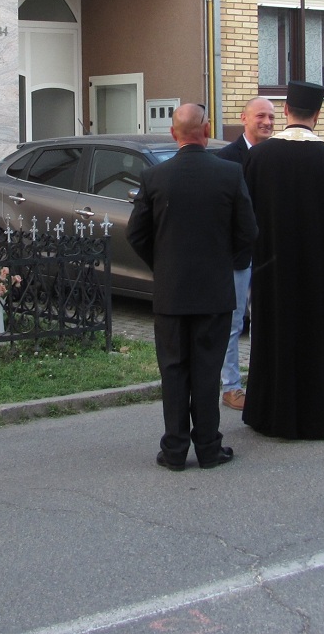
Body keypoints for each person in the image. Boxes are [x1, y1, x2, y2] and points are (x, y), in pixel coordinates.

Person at [128, 103, 257, 470]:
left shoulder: (155, 177)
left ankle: (173, 451)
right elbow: (249, 231)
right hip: (214, 292)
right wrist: (221, 261)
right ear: (207, 129)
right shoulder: (230, 174)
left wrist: (164, 265)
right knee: (207, 370)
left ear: (173, 134)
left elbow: (136, 234)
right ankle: (209, 448)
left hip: (171, 292)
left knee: (173, 371)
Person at [241, 80, 324, 441]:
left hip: (270, 269)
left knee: (272, 339)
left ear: (286, 112)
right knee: (314, 343)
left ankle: (268, 415)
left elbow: (246, 219)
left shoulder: (259, 157)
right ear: (317, 115)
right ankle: (312, 418)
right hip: (317, 272)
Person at [214, 96, 274, 411]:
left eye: (272, 117)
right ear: (245, 118)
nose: (267, 122)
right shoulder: (226, 158)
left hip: (269, 256)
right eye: (261, 116)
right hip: (238, 256)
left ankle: (264, 381)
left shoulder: (277, 156)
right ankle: (231, 386)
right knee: (234, 323)